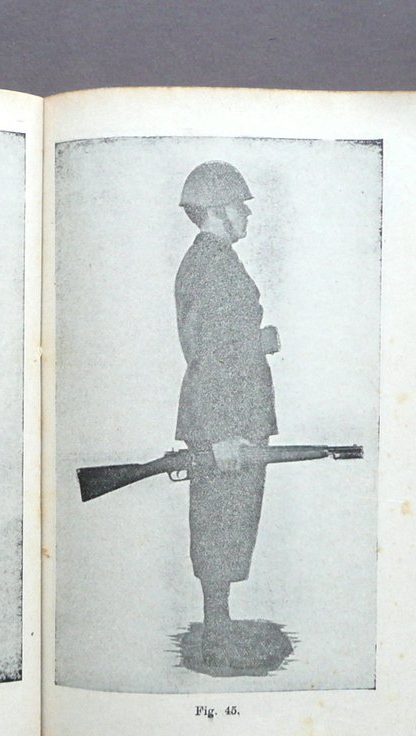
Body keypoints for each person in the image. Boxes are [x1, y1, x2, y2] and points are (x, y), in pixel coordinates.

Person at [174, 161, 290, 669]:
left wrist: (256, 342)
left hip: (234, 414)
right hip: (225, 420)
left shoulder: (214, 261)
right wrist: (218, 434)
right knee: (220, 523)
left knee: (231, 521)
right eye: (240, 207)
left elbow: (225, 342)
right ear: (217, 211)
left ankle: (219, 629)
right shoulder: (211, 264)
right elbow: (207, 354)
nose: (247, 215)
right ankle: (217, 637)